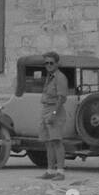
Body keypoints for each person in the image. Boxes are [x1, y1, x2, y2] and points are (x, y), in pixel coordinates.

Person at [39, 50, 69, 180]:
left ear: (57, 63)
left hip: (54, 110)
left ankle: (60, 171)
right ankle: (50, 170)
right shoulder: (49, 77)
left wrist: (54, 113)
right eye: (46, 63)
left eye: (51, 62)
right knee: (48, 142)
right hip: (46, 109)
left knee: (56, 141)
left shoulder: (60, 77)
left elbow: (62, 98)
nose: (49, 65)